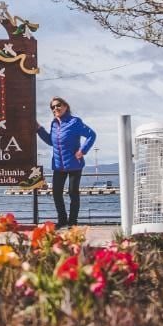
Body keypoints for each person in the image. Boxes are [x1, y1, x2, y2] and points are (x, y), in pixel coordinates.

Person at [36, 96, 97, 228]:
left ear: (65, 106)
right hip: (59, 166)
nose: (55, 108)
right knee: (56, 193)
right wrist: (39, 129)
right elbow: (51, 142)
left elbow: (92, 135)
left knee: (72, 192)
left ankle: (73, 222)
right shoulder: (54, 123)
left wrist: (82, 151)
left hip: (75, 164)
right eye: (52, 107)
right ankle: (62, 220)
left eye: (58, 105)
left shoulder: (75, 122)